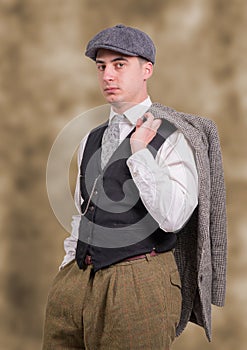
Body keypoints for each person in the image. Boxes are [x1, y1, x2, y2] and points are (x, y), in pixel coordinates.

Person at [42, 24, 227, 349]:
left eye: (119, 64)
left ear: (146, 69)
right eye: (101, 66)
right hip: (77, 284)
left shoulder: (173, 136)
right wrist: (69, 268)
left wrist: (140, 154)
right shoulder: (91, 138)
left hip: (138, 284)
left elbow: (173, 218)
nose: (108, 76)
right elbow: (84, 210)